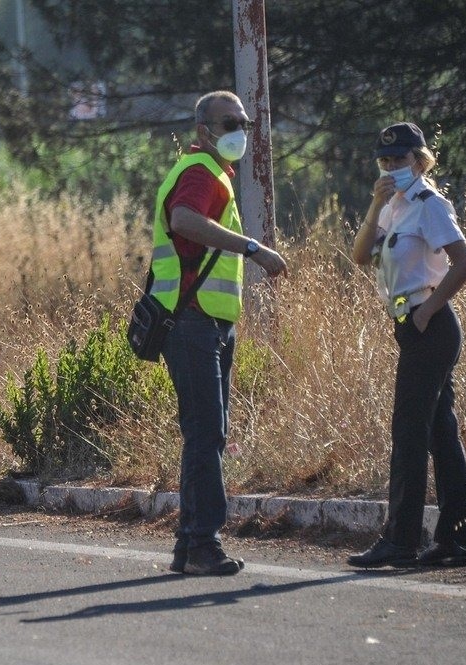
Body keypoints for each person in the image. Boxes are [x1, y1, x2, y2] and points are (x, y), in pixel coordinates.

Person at [152, 90, 287, 576]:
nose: (239, 132)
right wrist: (254, 248)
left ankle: (191, 547)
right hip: (191, 322)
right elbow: (184, 219)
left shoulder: (213, 175)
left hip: (204, 320)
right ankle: (202, 545)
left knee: (204, 434)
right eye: (229, 122)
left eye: (244, 123)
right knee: (207, 433)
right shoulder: (199, 173)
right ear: (202, 130)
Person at [347, 122, 466, 569]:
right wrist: (375, 203)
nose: (391, 167)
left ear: (420, 161)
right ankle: (454, 541)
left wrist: (427, 310)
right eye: (384, 161)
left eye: (399, 160)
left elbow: (464, 263)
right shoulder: (394, 206)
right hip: (411, 325)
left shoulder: (429, 204)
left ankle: (400, 541)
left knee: (408, 433)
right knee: (440, 431)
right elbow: (360, 256)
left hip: (430, 324)